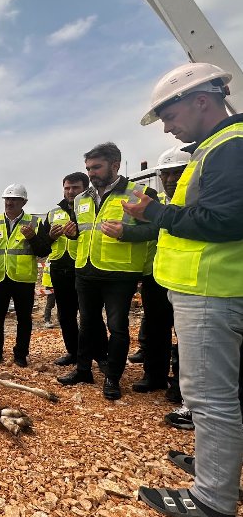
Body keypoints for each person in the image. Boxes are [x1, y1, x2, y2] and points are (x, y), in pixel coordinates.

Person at [124, 62, 242, 517]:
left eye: (168, 115)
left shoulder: (228, 148)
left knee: (208, 398)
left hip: (212, 288)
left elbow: (225, 222)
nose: (168, 127)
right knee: (223, 395)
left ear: (201, 100)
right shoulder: (216, 148)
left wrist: (157, 212)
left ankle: (212, 499)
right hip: (213, 287)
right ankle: (220, 469)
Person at [57, 142, 154, 401]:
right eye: (88, 168)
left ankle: (113, 378)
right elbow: (86, 231)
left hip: (119, 274)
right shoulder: (81, 199)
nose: (91, 173)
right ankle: (83, 370)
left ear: (115, 165)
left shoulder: (139, 194)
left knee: (117, 327)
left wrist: (127, 232)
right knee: (86, 323)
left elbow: (157, 230)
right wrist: (74, 233)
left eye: (96, 167)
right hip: (86, 271)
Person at [104, 146, 190, 398]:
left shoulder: (195, 202)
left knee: (186, 333)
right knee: (155, 329)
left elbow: (156, 229)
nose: (171, 179)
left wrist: (126, 232)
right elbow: (151, 231)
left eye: (177, 173)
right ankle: (155, 376)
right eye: (166, 175)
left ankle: (182, 384)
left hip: (191, 279)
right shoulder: (156, 202)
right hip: (158, 275)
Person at [0, 184, 51, 368]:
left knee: (24, 318)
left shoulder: (34, 223)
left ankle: (21, 354)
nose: (10, 202)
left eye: (14, 199)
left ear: (24, 202)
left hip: (23, 279)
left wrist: (32, 238)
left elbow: (44, 250)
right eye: (7, 199)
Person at [42, 172, 89, 366]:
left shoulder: (91, 208)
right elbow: (41, 247)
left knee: (88, 316)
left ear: (85, 188)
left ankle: (95, 354)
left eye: (75, 188)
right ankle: (74, 353)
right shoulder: (53, 213)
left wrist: (76, 234)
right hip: (60, 270)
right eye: (67, 188)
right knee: (65, 315)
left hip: (85, 268)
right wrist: (50, 237)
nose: (70, 192)